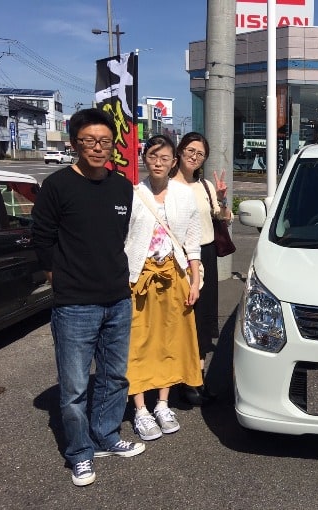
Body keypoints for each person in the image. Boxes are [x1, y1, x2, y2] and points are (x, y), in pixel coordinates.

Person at [31, 108, 145, 487]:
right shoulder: (57, 186)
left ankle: (106, 437)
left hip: (117, 298)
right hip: (74, 304)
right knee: (75, 386)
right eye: (89, 141)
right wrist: (61, 280)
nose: (98, 148)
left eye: (105, 141)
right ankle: (80, 452)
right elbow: (42, 241)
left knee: (114, 376)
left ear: (115, 145)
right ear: (75, 144)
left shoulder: (121, 187)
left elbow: (119, 238)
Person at [124, 135, 203, 440]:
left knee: (171, 340)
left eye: (165, 158)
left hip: (174, 275)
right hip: (139, 278)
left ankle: (163, 403)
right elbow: (123, 242)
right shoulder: (132, 194)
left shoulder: (184, 196)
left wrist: (195, 281)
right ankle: (140, 409)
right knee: (139, 342)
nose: (158, 162)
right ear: (145, 158)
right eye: (153, 157)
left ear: (174, 162)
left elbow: (192, 244)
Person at [170, 132, 233, 405]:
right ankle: (178, 380)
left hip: (205, 255)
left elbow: (223, 218)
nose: (194, 157)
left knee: (203, 319)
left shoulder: (205, 186)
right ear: (180, 151)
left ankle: (197, 377)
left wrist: (221, 199)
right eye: (190, 151)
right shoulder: (167, 186)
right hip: (177, 258)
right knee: (181, 318)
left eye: (200, 154)